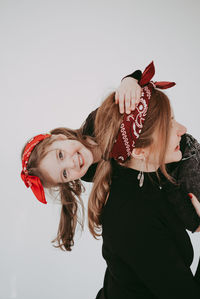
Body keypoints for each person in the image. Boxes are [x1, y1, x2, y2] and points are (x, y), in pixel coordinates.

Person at [20, 63, 200, 253]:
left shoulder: (95, 122)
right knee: (193, 221)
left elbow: (130, 102)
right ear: (68, 181)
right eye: (65, 173)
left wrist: (129, 82)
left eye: (60, 155)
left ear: (59, 138)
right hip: (164, 179)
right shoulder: (91, 174)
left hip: (178, 150)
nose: (72, 164)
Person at [87, 61, 200, 299]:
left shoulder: (141, 169)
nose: (183, 128)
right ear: (138, 151)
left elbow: (112, 125)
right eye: (169, 124)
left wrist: (129, 80)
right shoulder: (133, 218)